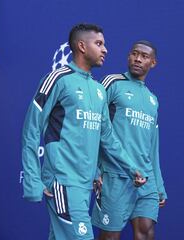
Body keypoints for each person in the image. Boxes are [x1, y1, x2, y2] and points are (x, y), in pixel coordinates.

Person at [21, 23, 145, 240]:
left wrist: (130, 167)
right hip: (63, 181)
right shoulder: (57, 79)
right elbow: (31, 129)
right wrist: (33, 180)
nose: (105, 49)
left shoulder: (98, 90)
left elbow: (107, 137)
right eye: (99, 44)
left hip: (85, 185)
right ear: (81, 46)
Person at [92, 40, 167, 240]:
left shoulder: (153, 99)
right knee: (110, 237)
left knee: (145, 231)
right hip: (115, 175)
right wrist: (95, 169)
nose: (138, 59)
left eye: (144, 56)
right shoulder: (112, 83)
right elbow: (93, 126)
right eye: (134, 54)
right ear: (128, 56)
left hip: (146, 179)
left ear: (153, 63)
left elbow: (153, 146)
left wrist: (158, 185)